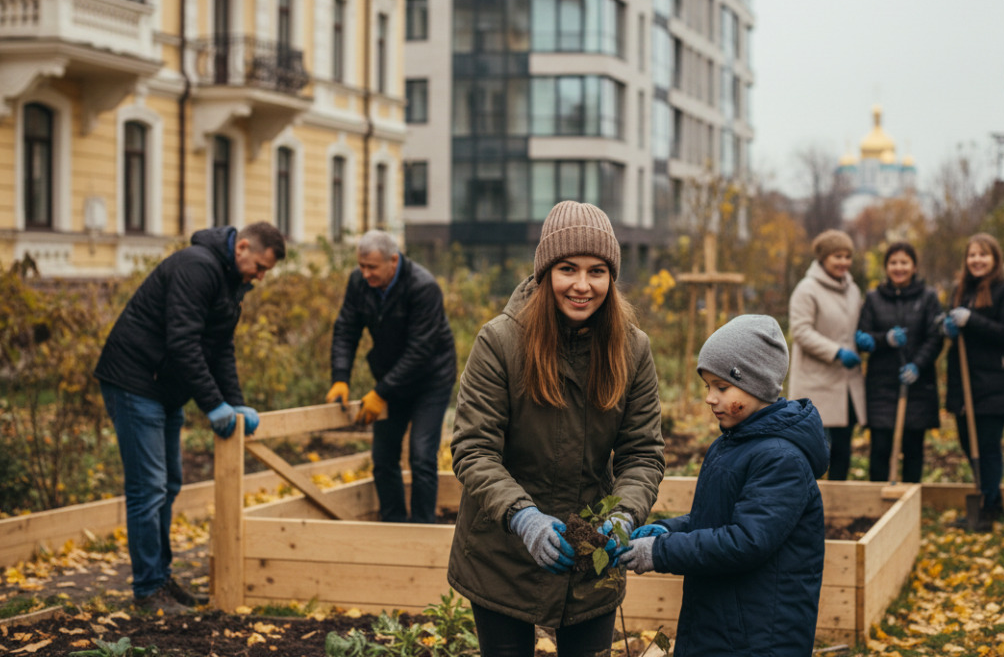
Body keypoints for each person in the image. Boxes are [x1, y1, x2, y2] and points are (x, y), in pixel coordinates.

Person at [447, 201, 665, 657]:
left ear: (612, 276)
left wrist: (623, 515)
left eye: (598, 271)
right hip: (501, 553)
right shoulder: (500, 342)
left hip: (589, 553)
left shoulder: (632, 349)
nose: (582, 286)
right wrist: (523, 518)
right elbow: (474, 449)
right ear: (545, 272)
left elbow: (642, 453)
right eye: (568, 268)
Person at [95, 221, 285, 613]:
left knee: (169, 483)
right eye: (260, 267)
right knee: (148, 488)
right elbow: (183, 341)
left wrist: (235, 401)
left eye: (267, 271)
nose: (261, 277)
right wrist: (213, 405)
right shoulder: (196, 267)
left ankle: (161, 580)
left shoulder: (231, 279)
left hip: (163, 386)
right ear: (243, 247)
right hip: (135, 380)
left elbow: (220, 348)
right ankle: (148, 590)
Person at [618, 314, 827, 657]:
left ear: (756, 385)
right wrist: (663, 530)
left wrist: (660, 552)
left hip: (760, 633)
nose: (710, 398)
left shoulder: (780, 459)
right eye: (707, 387)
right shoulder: (732, 444)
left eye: (721, 387)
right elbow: (715, 518)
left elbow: (745, 542)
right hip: (724, 618)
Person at [325, 230, 457, 524]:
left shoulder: (424, 287)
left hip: (430, 380)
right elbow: (346, 329)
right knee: (383, 457)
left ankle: (423, 528)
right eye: (361, 265)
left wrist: (381, 391)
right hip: (391, 381)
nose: (365, 273)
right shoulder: (359, 283)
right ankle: (393, 523)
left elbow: (420, 350)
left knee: (422, 456)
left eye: (372, 267)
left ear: (393, 261)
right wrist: (340, 377)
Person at [941, 233, 1004, 529]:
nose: (977, 260)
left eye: (983, 255)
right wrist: (948, 327)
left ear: (995, 259)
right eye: (972, 255)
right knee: (968, 443)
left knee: (986, 445)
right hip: (964, 382)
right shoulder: (961, 290)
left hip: (993, 383)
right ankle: (993, 502)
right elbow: (951, 324)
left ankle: (988, 506)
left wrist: (971, 320)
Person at [857, 241, 945, 483]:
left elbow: (935, 337)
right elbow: (863, 334)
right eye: (893, 262)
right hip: (881, 385)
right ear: (886, 267)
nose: (899, 267)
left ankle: (908, 502)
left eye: (904, 262)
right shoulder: (874, 298)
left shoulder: (928, 298)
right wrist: (884, 339)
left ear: (914, 266)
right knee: (880, 449)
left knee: (914, 449)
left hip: (917, 386)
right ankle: (878, 504)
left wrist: (918, 364)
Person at [787, 229, 867, 481]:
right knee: (816, 452)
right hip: (817, 383)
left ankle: (838, 506)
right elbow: (800, 330)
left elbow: (855, 323)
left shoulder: (852, 289)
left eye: (847, 256)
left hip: (846, 385)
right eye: (837, 256)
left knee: (843, 450)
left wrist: (864, 338)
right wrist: (836, 352)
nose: (843, 262)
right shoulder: (807, 289)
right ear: (823, 258)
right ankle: (811, 506)